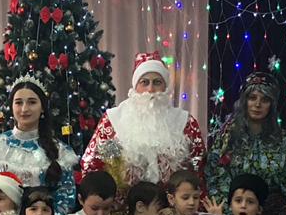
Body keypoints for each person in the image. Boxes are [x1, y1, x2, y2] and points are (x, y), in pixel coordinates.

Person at [80, 52, 206, 192]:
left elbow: (198, 169)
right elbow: (94, 166)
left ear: (165, 87)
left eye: (157, 82)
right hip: (124, 203)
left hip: (171, 204)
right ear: (135, 87)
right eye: (144, 82)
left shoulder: (184, 122)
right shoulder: (114, 122)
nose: (150, 89)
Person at [0, 76, 77, 215]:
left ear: (42, 108)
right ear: (11, 107)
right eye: (18, 102)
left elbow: (65, 199)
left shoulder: (60, 151)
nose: (24, 109)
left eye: (32, 102)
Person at [206, 71, 286, 215]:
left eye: (265, 100)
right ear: (244, 101)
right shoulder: (227, 139)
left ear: (272, 104)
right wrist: (231, 211)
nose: (257, 104)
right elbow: (215, 178)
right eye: (252, 98)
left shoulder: (285, 141)